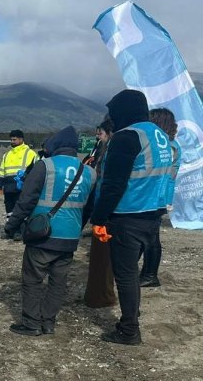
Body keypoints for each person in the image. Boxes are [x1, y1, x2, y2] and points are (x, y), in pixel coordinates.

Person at [90, 89, 172, 345]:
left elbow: (113, 184)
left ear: (122, 112)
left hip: (128, 215)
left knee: (125, 275)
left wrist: (99, 218)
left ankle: (129, 330)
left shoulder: (127, 137)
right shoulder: (159, 135)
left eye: (113, 113)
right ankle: (132, 312)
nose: (112, 119)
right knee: (131, 274)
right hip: (152, 214)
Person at [3, 127, 96, 336]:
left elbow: (26, 200)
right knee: (58, 281)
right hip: (70, 236)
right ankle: (48, 321)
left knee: (33, 278)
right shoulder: (89, 172)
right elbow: (89, 207)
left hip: (43, 233)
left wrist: (11, 225)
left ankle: (31, 323)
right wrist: (77, 228)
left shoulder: (44, 166)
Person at [139, 108, 180, 288]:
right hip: (159, 195)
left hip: (157, 196)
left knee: (151, 237)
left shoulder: (167, 145)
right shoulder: (170, 144)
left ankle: (149, 274)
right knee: (150, 235)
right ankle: (148, 273)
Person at [83, 117, 117, 309]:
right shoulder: (101, 148)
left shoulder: (111, 150)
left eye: (101, 132)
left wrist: (99, 214)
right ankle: (101, 294)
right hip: (102, 203)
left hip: (105, 207)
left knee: (102, 256)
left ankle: (101, 297)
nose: (98, 135)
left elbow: (108, 183)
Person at [0, 130, 38, 239]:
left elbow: (36, 171)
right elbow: (2, 170)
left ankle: (19, 231)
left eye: (14, 139)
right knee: (9, 210)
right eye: (11, 139)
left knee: (20, 208)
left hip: (22, 186)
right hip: (9, 186)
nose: (12, 141)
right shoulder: (7, 154)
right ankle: (10, 230)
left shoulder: (30, 153)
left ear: (21, 139)